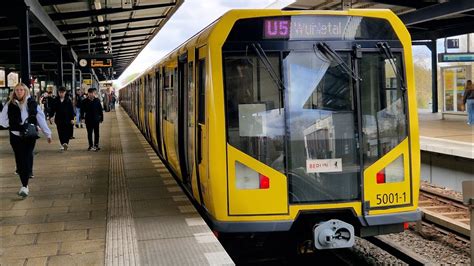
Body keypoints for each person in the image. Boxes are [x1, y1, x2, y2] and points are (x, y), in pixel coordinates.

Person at [0, 83, 52, 198]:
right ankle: (25, 181)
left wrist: (48, 133)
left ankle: (24, 185)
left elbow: (41, 118)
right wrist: (13, 124)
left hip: (29, 135)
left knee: (27, 156)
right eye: (17, 90)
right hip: (15, 136)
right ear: (14, 92)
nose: (19, 92)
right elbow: (2, 121)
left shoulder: (31, 104)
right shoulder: (9, 105)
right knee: (19, 159)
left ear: (25, 91)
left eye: (21, 90)